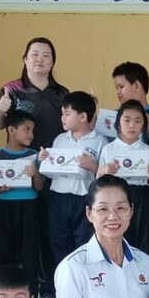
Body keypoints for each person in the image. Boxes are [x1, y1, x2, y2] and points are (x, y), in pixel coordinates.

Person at [0, 37, 69, 290]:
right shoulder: (11, 89)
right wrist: (1, 108)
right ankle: (12, 287)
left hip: (53, 170)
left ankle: (48, 286)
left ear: (53, 62)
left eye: (46, 55)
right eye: (34, 54)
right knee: (19, 234)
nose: (39, 59)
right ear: (25, 59)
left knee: (49, 228)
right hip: (19, 171)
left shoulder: (62, 93)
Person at [38, 90, 104, 272]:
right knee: (58, 240)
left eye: (67, 114)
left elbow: (105, 175)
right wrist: (45, 159)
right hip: (58, 198)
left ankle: (84, 279)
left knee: (84, 240)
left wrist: (93, 166)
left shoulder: (99, 141)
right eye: (62, 114)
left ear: (83, 117)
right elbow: (51, 171)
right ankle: (63, 279)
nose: (63, 118)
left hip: (84, 199)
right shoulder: (60, 139)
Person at [0, 109, 45, 298]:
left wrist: (35, 173)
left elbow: (39, 187)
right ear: (11, 130)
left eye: (32, 130)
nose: (31, 134)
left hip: (28, 206)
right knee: (0, 250)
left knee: (29, 252)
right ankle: (0, 296)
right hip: (3, 207)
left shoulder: (34, 155)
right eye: (26, 129)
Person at [99, 99, 149, 259]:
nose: (132, 125)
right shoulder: (108, 149)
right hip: (115, 197)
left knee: (144, 239)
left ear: (143, 126)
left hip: (142, 198)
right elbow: (98, 181)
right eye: (127, 120)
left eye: (138, 121)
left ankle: (143, 273)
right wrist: (104, 170)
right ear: (118, 123)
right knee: (116, 238)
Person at [111, 61, 149, 160]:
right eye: (116, 88)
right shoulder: (113, 115)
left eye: (121, 87)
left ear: (136, 86)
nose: (118, 92)